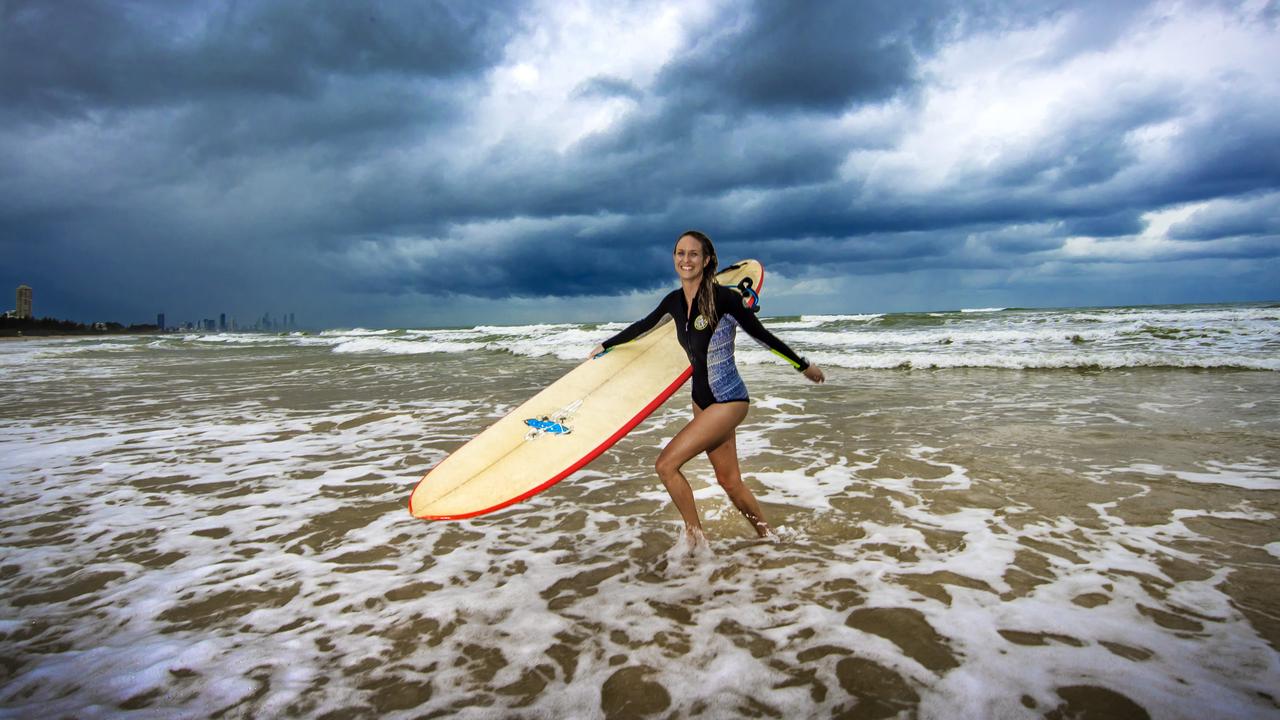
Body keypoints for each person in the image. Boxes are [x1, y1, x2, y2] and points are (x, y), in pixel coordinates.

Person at [589, 230, 825, 547]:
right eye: (680, 253)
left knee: (666, 465)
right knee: (729, 481)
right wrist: (605, 344)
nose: (686, 260)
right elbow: (643, 326)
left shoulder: (724, 299)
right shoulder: (673, 301)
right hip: (701, 401)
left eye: (693, 254)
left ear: (707, 260)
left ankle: (696, 541)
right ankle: (770, 538)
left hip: (729, 400)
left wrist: (803, 365)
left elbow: (763, 336)